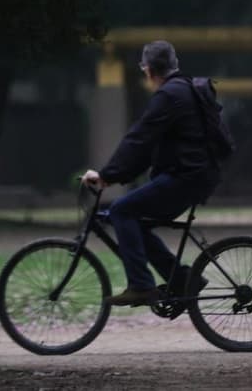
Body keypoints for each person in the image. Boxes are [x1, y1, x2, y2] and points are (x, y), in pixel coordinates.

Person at [81, 40, 220, 307]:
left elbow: (139, 139)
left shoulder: (169, 95)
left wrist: (106, 175)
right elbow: (146, 149)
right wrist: (114, 175)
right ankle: (181, 278)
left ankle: (141, 286)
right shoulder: (184, 90)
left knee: (121, 211)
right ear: (173, 65)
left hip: (185, 178)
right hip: (195, 176)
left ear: (147, 70)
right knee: (135, 220)